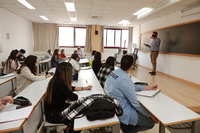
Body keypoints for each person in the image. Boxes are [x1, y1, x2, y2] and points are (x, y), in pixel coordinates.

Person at [104, 55, 158, 133]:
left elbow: (129, 86)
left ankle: (127, 126)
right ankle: (127, 130)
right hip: (121, 111)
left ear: (120, 63)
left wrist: (147, 87)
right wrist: (150, 115)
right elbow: (136, 104)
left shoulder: (114, 72)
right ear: (131, 66)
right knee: (151, 123)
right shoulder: (125, 79)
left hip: (111, 106)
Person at [45, 62, 92, 133]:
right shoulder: (60, 84)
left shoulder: (56, 80)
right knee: (79, 115)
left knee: (79, 108)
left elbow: (71, 88)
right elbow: (74, 97)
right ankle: (68, 131)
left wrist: (84, 88)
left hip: (53, 111)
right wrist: (71, 96)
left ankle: (67, 130)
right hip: (54, 115)